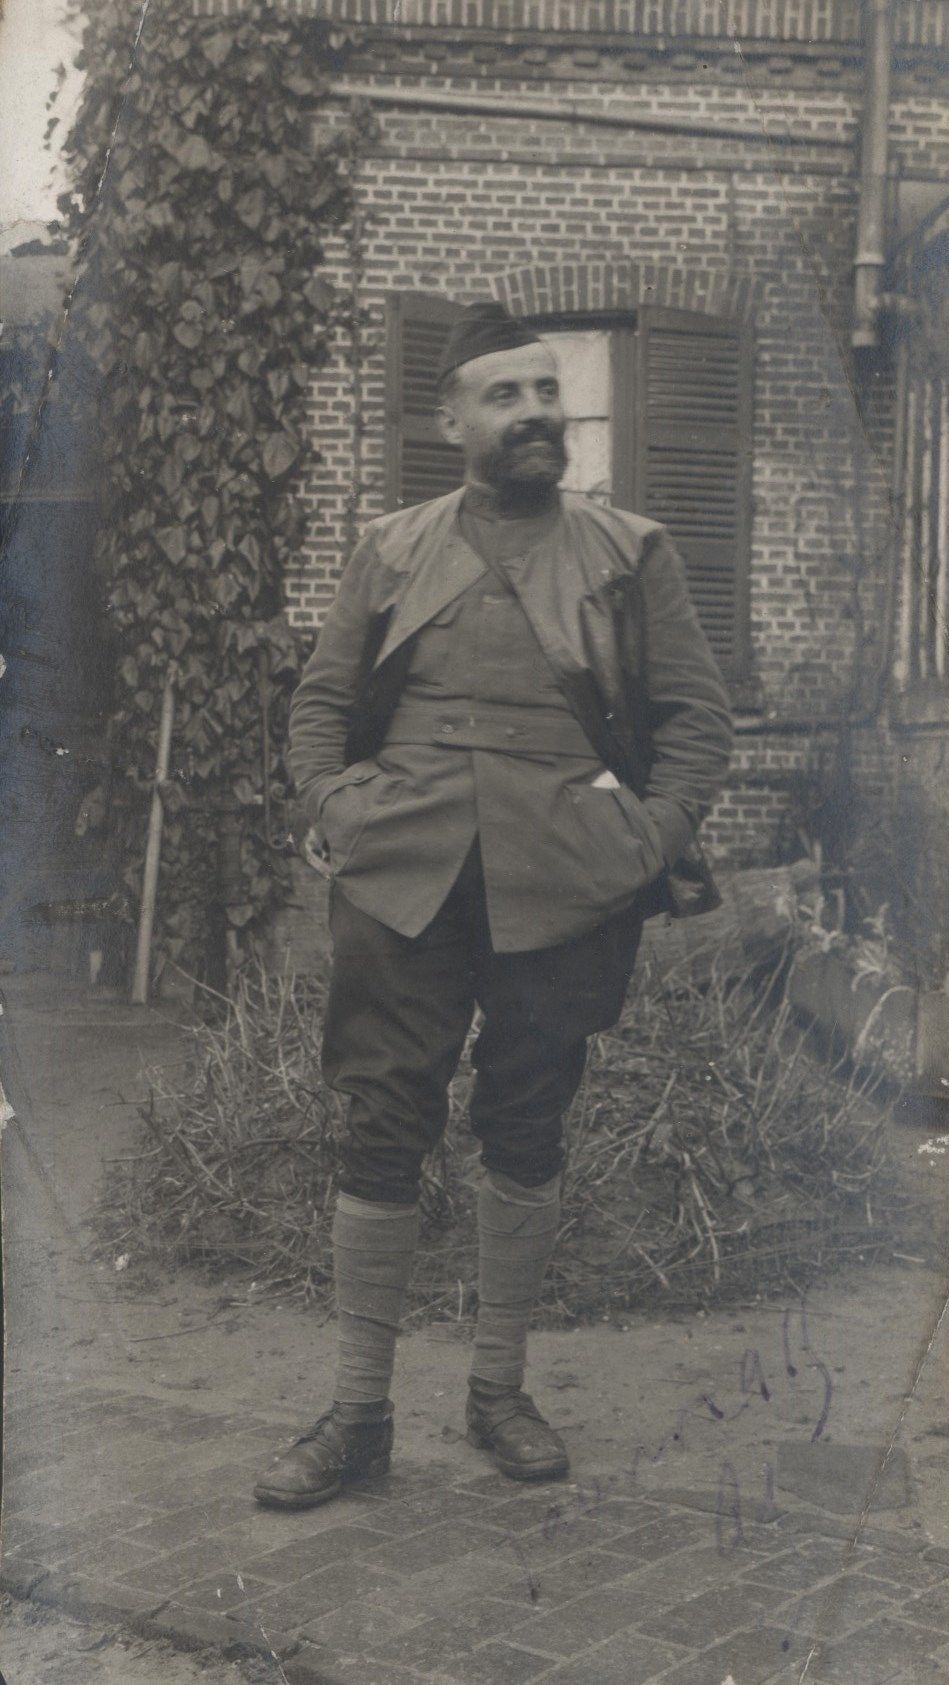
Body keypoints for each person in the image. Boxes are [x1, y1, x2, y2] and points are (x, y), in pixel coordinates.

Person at [253, 301, 733, 1509]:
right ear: (450, 419)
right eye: (505, 395)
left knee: (527, 1121)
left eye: (545, 391)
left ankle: (500, 1390)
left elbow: (697, 719)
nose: (534, 412)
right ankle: (358, 1414)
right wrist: (338, 806)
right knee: (381, 1122)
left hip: (567, 880)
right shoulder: (392, 547)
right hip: (402, 874)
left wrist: (648, 836)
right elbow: (319, 704)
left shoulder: (630, 550)